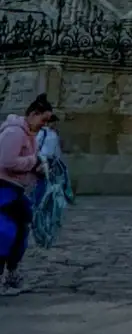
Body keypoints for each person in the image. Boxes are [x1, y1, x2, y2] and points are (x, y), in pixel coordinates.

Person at [0, 94, 53, 293]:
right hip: (4, 188)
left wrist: (37, 168)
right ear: (33, 114)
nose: (44, 125)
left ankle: (11, 273)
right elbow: (6, 161)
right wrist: (33, 162)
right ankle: (7, 274)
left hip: (15, 189)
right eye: (43, 119)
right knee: (6, 232)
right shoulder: (14, 133)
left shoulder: (28, 135)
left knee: (20, 229)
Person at [31, 109, 74, 249]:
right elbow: (36, 148)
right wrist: (39, 162)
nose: (55, 124)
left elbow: (56, 151)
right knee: (42, 189)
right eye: (53, 122)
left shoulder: (54, 134)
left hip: (52, 164)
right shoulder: (42, 133)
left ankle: (47, 211)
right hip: (43, 163)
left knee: (53, 190)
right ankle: (37, 209)